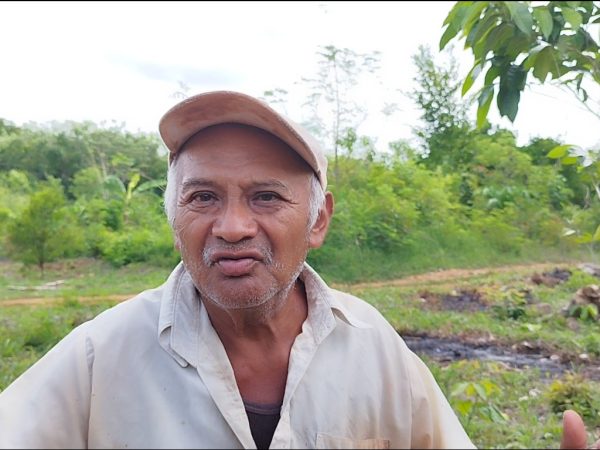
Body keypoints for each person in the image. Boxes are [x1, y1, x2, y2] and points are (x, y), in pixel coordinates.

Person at [0, 91, 596, 449]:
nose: (233, 226)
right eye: (203, 197)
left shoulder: (374, 349)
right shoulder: (99, 356)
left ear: (318, 221)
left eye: (266, 197)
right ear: (172, 216)